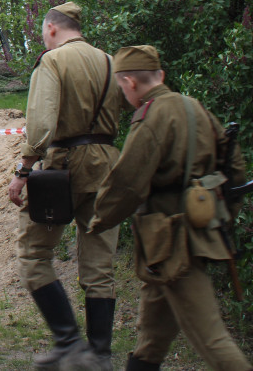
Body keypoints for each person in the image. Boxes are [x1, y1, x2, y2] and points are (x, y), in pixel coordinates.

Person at [89, 45, 250, 371]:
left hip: (174, 245)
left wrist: (98, 220)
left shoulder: (151, 117)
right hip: (187, 238)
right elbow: (235, 170)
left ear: (130, 83)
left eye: (122, 87)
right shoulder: (194, 107)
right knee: (151, 340)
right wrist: (224, 215)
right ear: (160, 75)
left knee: (213, 340)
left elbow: (128, 183)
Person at [6, 1, 122, 371]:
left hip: (65, 166)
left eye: (43, 32)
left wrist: (23, 170)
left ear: (52, 28)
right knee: (100, 263)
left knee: (33, 253)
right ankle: (100, 355)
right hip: (107, 165)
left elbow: (41, 123)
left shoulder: (53, 61)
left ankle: (68, 342)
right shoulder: (109, 61)